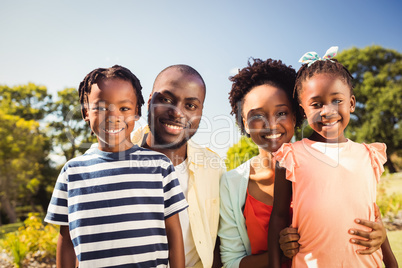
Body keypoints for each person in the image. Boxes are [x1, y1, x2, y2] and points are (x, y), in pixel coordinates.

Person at [219, 58, 390, 268]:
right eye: (257, 116)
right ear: (244, 121)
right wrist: (280, 253)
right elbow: (230, 263)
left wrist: (379, 234)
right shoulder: (232, 184)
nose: (271, 125)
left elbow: (364, 210)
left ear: (295, 115)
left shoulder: (321, 162)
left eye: (281, 113)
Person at [45, 65, 188, 268]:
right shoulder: (71, 173)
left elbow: (174, 234)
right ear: (86, 112)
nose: (113, 117)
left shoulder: (159, 167)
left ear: (137, 112)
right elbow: (66, 241)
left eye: (124, 108)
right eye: (101, 107)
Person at [268, 47, 398, 267]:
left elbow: (373, 217)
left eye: (337, 100)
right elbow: (279, 216)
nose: (327, 111)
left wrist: (393, 264)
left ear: (352, 103)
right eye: (316, 104)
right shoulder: (291, 156)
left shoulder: (369, 155)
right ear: (303, 111)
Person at [132, 64, 225, 268]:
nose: (177, 113)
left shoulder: (214, 168)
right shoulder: (115, 158)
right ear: (149, 101)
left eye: (190, 105)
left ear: (200, 112)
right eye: (166, 100)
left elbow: (219, 242)